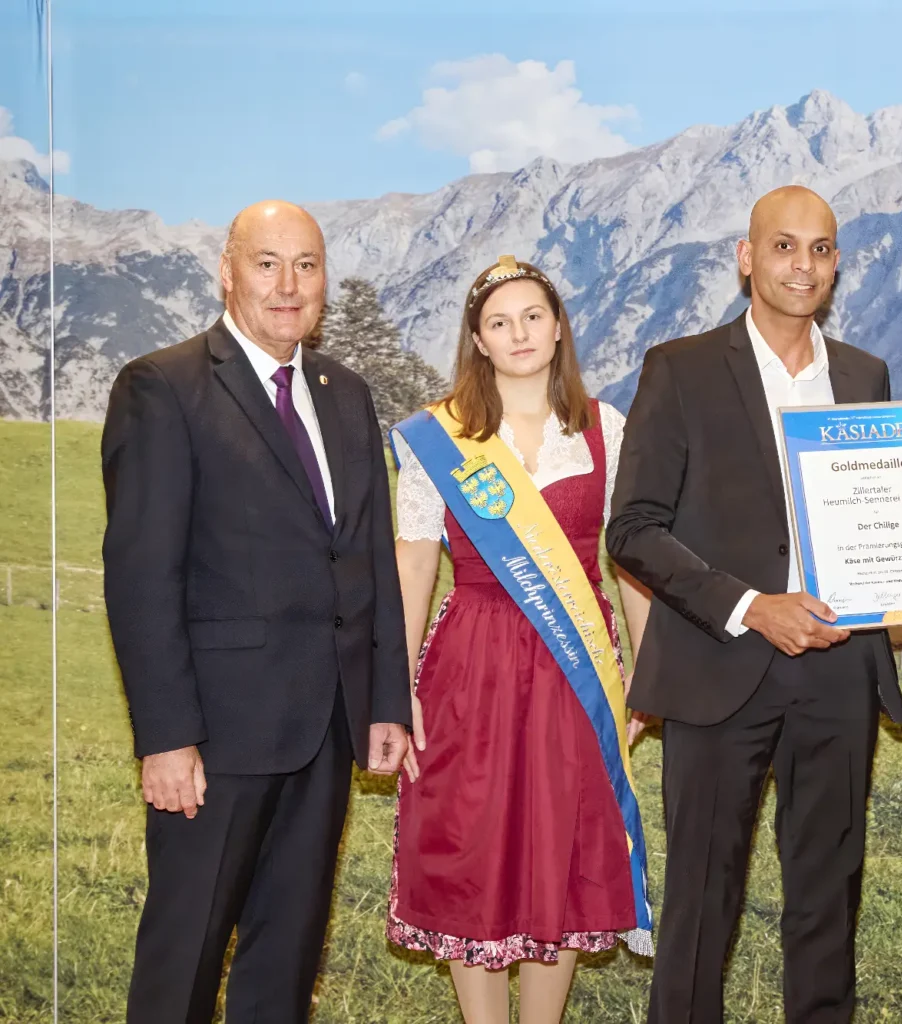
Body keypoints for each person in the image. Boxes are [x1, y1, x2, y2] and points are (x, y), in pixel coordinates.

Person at [101, 200, 412, 1023]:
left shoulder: (343, 392)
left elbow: (369, 553)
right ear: (227, 272)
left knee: (287, 957)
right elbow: (141, 576)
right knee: (185, 957)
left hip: (326, 729)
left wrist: (386, 701)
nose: (288, 285)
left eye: (306, 265)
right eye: (267, 263)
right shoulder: (162, 386)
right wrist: (167, 736)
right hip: (215, 738)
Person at [607, 185, 902, 1024]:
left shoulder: (864, 375)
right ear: (747, 257)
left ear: (836, 265)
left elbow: (884, 515)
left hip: (839, 674)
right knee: (702, 905)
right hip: (718, 668)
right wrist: (749, 606)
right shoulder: (681, 367)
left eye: (818, 249)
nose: (800, 264)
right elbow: (632, 528)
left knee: (826, 901)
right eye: (782, 246)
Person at [385, 256, 654, 1024]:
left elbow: (631, 560)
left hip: (578, 665)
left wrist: (647, 669)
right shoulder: (439, 438)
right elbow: (413, 563)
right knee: (474, 842)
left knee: (563, 844)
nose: (519, 333)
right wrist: (396, 685)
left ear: (559, 323)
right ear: (478, 339)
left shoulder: (607, 428)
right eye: (499, 322)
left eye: (533, 315)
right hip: (473, 661)